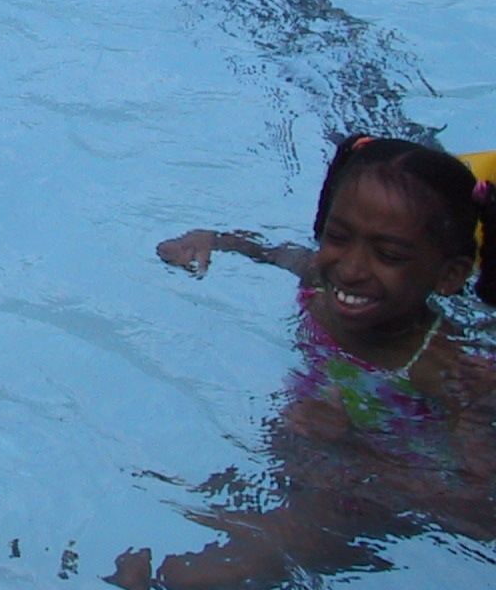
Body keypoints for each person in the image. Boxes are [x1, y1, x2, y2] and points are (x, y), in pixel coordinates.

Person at [107, 136, 496, 590]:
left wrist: (349, 445)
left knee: (202, 577)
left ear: (449, 276)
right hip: (303, 449)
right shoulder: (319, 281)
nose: (350, 268)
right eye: (337, 237)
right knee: (150, 524)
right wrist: (210, 240)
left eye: (387, 255)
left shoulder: (439, 365)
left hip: (360, 496)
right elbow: (273, 252)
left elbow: (476, 511)